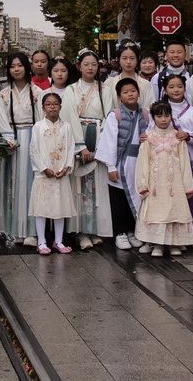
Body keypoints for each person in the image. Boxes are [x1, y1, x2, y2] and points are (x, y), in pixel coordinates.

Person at [62, 50, 119, 250]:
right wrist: (82, 146)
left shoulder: (106, 89)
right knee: (79, 188)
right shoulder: (70, 90)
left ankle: (96, 229)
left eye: (94, 64)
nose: (90, 68)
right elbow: (68, 117)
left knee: (98, 187)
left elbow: (110, 118)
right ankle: (81, 231)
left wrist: (102, 145)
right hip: (79, 137)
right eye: (86, 64)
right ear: (79, 66)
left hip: (100, 137)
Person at [134, 101, 193, 257]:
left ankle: (174, 243)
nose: (163, 119)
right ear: (153, 118)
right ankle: (156, 244)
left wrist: (187, 185)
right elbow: (142, 163)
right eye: (159, 116)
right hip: (155, 184)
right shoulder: (148, 139)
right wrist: (143, 184)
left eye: (166, 115)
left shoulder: (177, 138)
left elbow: (184, 163)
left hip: (174, 184)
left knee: (175, 210)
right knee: (156, 211)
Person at [0, 52, 45, 246]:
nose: (16, 69)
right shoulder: (4, 94)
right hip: (13, 141)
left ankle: (32, 230)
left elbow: (41, 120)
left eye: (20, 65)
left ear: (27, 67)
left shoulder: (37, 93)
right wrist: (8, 139)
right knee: (12, 185)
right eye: (12, 66)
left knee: (32, 184)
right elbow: (1, 119)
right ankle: (13, 228)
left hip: (33, 138)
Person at [96, 78, 145, 251]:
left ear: (138, 93)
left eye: (133, 90)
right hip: (120, 161)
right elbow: (109, 142)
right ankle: (120, 232)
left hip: (139, 162)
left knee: (137, 196)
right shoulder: (115, 115)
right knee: (119, 197)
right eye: (125, 92)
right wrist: (111, 166)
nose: (130, 94)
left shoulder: (145, 114)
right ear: (119, 97)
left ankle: (133, 230)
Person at [29, 92, 76, 255]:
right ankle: (41, 241)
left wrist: (66, 168)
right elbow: (33, 150)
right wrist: (43, 168)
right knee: (41, 208)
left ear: (60, 106)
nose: (52, 107)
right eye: (48, 104)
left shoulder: (67, 127)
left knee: (60, 208)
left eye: (55, 104)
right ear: (43, 107)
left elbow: (71, 149)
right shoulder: (38, 127)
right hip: (44, 175)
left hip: (60, 173)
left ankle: (58, 241)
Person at [107, 44, 153, 112]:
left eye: (132, 58)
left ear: (137, 60)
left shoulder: (146, 84)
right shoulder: (110, 83)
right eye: (124, 58)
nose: (128, 62)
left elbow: (149, 109)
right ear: (119, 60)